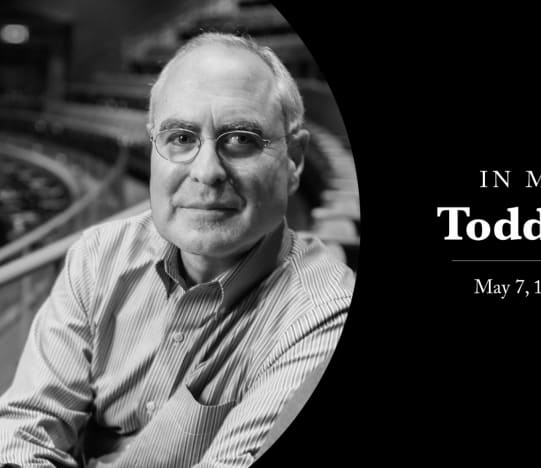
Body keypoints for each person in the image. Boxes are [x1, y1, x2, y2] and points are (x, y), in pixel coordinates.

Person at [0, 33, 353, 467]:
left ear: (294, 159)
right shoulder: (99, 253)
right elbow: (24, 429)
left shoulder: (324, 315)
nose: (206, 172)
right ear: (153, 150)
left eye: (241, 139)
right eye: (182, 138)